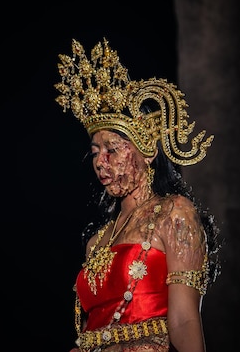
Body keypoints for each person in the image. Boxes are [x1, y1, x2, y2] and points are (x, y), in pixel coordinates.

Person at [54, 38, 221, 352]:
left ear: (147, 151)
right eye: (94, 153)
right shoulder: (97, 242)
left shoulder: (174, 213)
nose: (100, 162)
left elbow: (184, 321)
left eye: (112, 150)